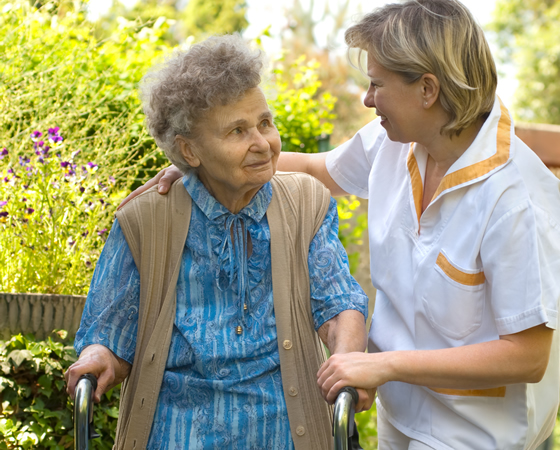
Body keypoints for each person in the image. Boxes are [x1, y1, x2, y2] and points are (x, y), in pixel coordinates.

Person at [123, 1, 560, 448]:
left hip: (478, 434)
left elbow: (528, 355)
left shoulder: (517, 198)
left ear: (427, 89)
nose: (367, 98)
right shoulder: (395, 143)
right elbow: (320, 170)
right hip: (403, 418)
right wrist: (202, 169)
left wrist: (385, 365)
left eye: (377, 84)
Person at [65, 35, 369, 450]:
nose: (262, 143)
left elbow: (337, 305)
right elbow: (110, 331)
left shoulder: (306, 203)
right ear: (189, 150)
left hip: (285, 431)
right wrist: (99, 357)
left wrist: (348, 361)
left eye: (265, 123)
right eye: (237, 131)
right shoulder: (144, 220)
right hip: (177, 434)